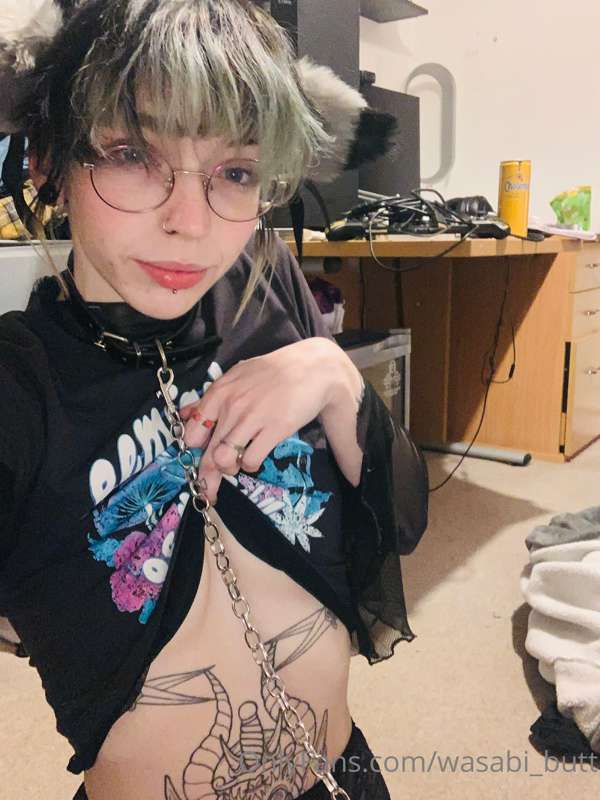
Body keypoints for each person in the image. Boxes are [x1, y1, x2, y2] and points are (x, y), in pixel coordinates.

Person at [0, 2, 429, 799]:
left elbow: (400, 522)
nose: (192, 224)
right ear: (48, 162)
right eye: (132, 153)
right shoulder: (20, 385)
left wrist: (334, 376)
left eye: (235, 171)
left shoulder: (268, 290)